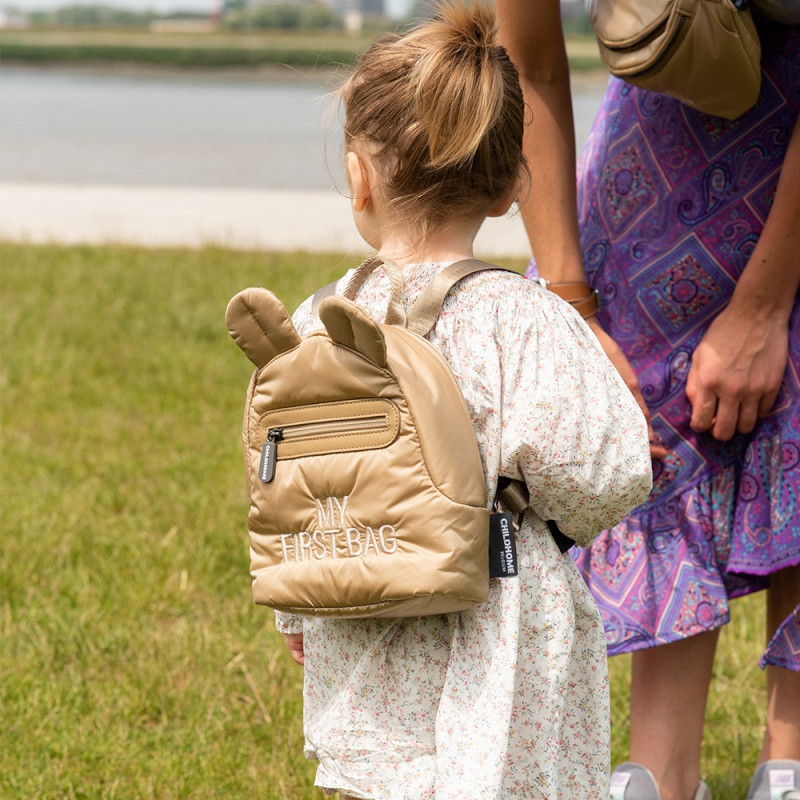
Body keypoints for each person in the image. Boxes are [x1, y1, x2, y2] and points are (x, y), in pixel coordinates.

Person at [273, 3, 653, 797]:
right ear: (513, 183)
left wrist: (297, 610)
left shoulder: (316, 322)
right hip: (501, 620)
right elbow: (607, 474)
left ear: (359, 175)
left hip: (361, 604)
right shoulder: (524, 318)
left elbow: (289, 487)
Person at [496, 2, 800, 798]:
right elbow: (529, 64)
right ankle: (663, 779)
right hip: (681, 107)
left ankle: (791, 765)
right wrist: (572, 307)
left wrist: (765, 306)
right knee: (643, 400)